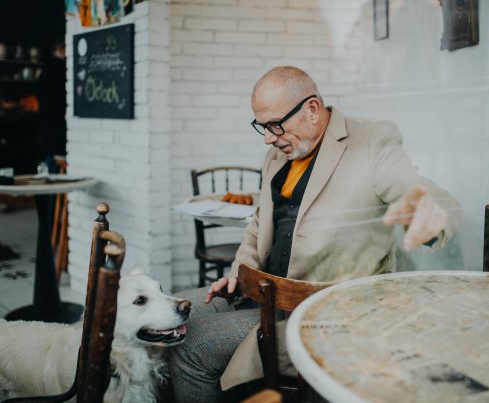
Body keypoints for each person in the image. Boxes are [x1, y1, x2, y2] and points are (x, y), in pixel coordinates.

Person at [169, 66, 463, 403]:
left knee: (191, 345)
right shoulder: (275, 156)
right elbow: (258, 224)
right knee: (172, 312)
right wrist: (240, 270)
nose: (268, 138)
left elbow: (423, 192)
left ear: (311, 109)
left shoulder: (371, 141)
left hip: (325, 314)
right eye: (262, 127)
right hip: (261, 294)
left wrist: (428, 208)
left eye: (275, 125)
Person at [37, 36, 67, 175]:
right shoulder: (60, 70)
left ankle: (51, 197)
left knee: (49, 172)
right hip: (58, 130)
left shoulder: (46, 71)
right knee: (55, 173)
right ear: (61, 49)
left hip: (47, 130)